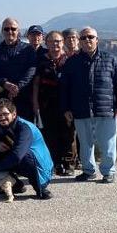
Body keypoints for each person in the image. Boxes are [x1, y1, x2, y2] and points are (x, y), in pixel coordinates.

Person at [60, 27, 117, 183]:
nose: (87, 40)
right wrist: (66, 108)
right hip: (80, 109)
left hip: (106, 110)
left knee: (108, 144)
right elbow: (65, 88)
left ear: (97, 39)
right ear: (79, 41)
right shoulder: (72, 62)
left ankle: (108, 172)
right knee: (85, 144)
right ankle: (88, 171)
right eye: (83, 38)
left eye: (90, 37)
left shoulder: (110, 59)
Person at [0, 99, 53, 200]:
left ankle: (39, 186)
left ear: (14, 114)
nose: (2, 118)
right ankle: (15, 184)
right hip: (19, 158)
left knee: (23, 157)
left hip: (40, 166)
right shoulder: (0, 126)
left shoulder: (24, 128)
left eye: (5, 114)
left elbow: (17, 156)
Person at [33, 31, 76, 176]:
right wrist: (35, 103)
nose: (55, 44)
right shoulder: (41, 60)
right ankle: (55, 164)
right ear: (47, 43)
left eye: (57, 41)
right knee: (50, 135)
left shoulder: (70, 60)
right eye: (51, 41)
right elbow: (36, 84)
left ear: (63, 42)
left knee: (68, 135)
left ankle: (69, 163)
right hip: (47, 104)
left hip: (66, 104)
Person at [0, 17, 38, 121]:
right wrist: (5, 83)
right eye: (6, 29)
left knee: (25, 128)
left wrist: (18, 87)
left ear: (18, 31)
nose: (10, 31)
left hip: (24, 97)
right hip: (3, 97)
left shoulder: (28, 49)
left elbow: (31, 70)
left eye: (13, 29)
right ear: (2, 31)